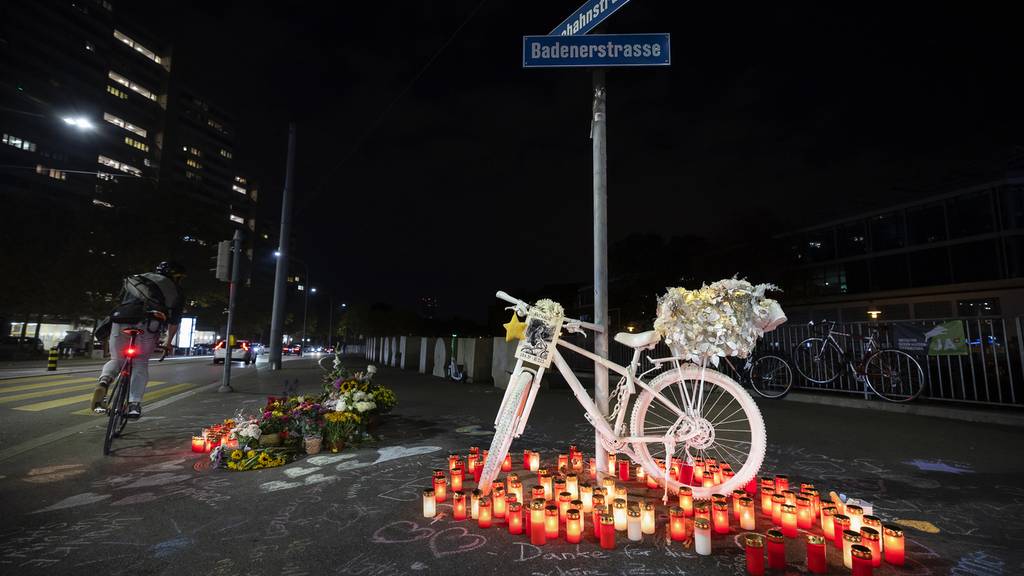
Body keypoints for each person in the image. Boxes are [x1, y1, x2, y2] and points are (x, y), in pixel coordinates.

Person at [91, 261, 186, 418]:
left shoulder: (139, 279)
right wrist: (168, 343)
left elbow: (121, 301)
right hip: (148, 324)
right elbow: (174, 322)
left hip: (121, 319)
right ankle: (134, 404)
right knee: (140, 362)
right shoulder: (175, 290)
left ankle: (104, 382)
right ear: (175, 276)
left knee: (117, 359)